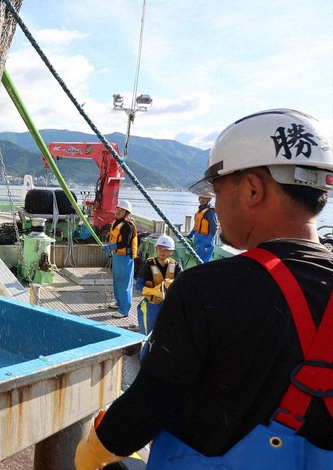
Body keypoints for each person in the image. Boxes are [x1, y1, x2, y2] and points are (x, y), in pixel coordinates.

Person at [75, 109, 333, 469]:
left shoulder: (207, 289)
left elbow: (145, 410)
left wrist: (92, 450)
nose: (214, 201)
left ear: (253, 189)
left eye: (217, 187)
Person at [135, 234, 182, 338]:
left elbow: (183, 287)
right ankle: (144, 354)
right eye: (160, 248)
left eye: (166, 250)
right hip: (151, 306)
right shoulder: (148, 265)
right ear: (156, 249)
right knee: (148, 336)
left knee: (168, 335)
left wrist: (174, 284)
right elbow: (138, 286)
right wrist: (153, 291)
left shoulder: (176, 266)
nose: (162, 252)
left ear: (171, 252)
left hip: (169, 306)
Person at [103, 200, 138, 319]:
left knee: (124, 282)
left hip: (125, 258)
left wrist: (111, 247)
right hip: (117, 256)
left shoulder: (127, 226)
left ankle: (124, 309)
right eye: (117, 208)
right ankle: (118, 302)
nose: (118, 211)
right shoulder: (116, 223)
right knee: (117, 280)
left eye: (121, 210)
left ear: (126, 213)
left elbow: (125, 242)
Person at [187, 193, 218, 263]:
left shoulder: (210, 211)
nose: (202, 200)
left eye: (204, 198)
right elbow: (197, 224)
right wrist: (192, 233)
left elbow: (214, 226)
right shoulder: (200, 210)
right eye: (201, 198)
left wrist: (209, 239)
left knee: (204, 261)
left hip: (206, 240)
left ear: (209, 199)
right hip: (198, 238)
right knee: (198, 258)